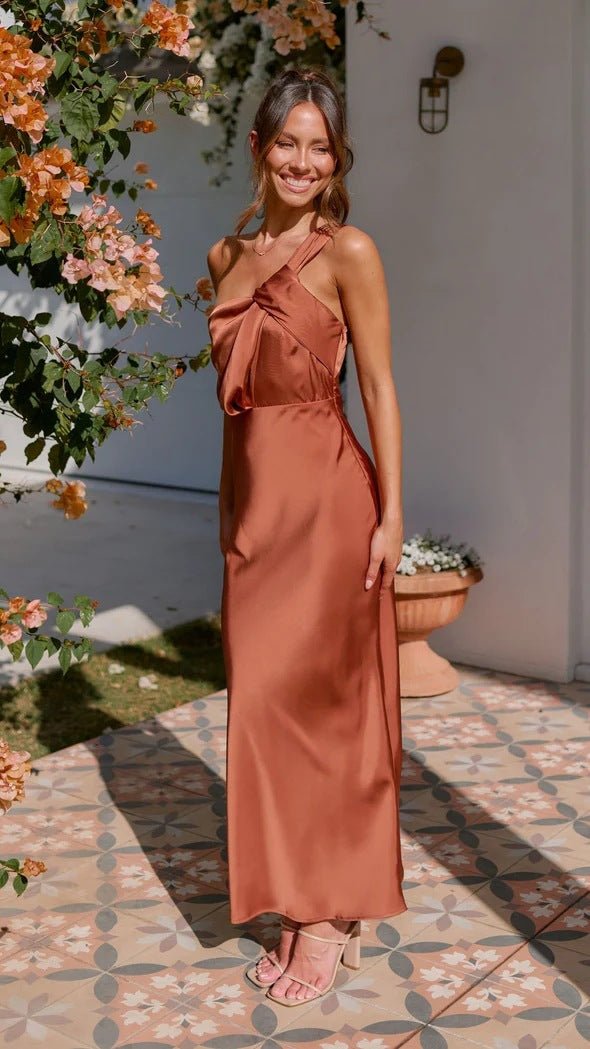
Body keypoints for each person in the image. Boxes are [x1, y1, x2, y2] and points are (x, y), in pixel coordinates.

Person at [206, 67, 406, 1009]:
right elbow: (235, 411)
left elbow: (379, 390)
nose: (302, 158)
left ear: (336, 159)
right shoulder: (223, 257)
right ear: (258, 146)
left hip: (331, 504)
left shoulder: (349, 251)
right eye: (288, 140)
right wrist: (226, 519)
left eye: (319, 145)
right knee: (258, 708)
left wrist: (393, 516)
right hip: (258, 515)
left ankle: (320, 917)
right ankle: (299, 896)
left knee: (321, 711)